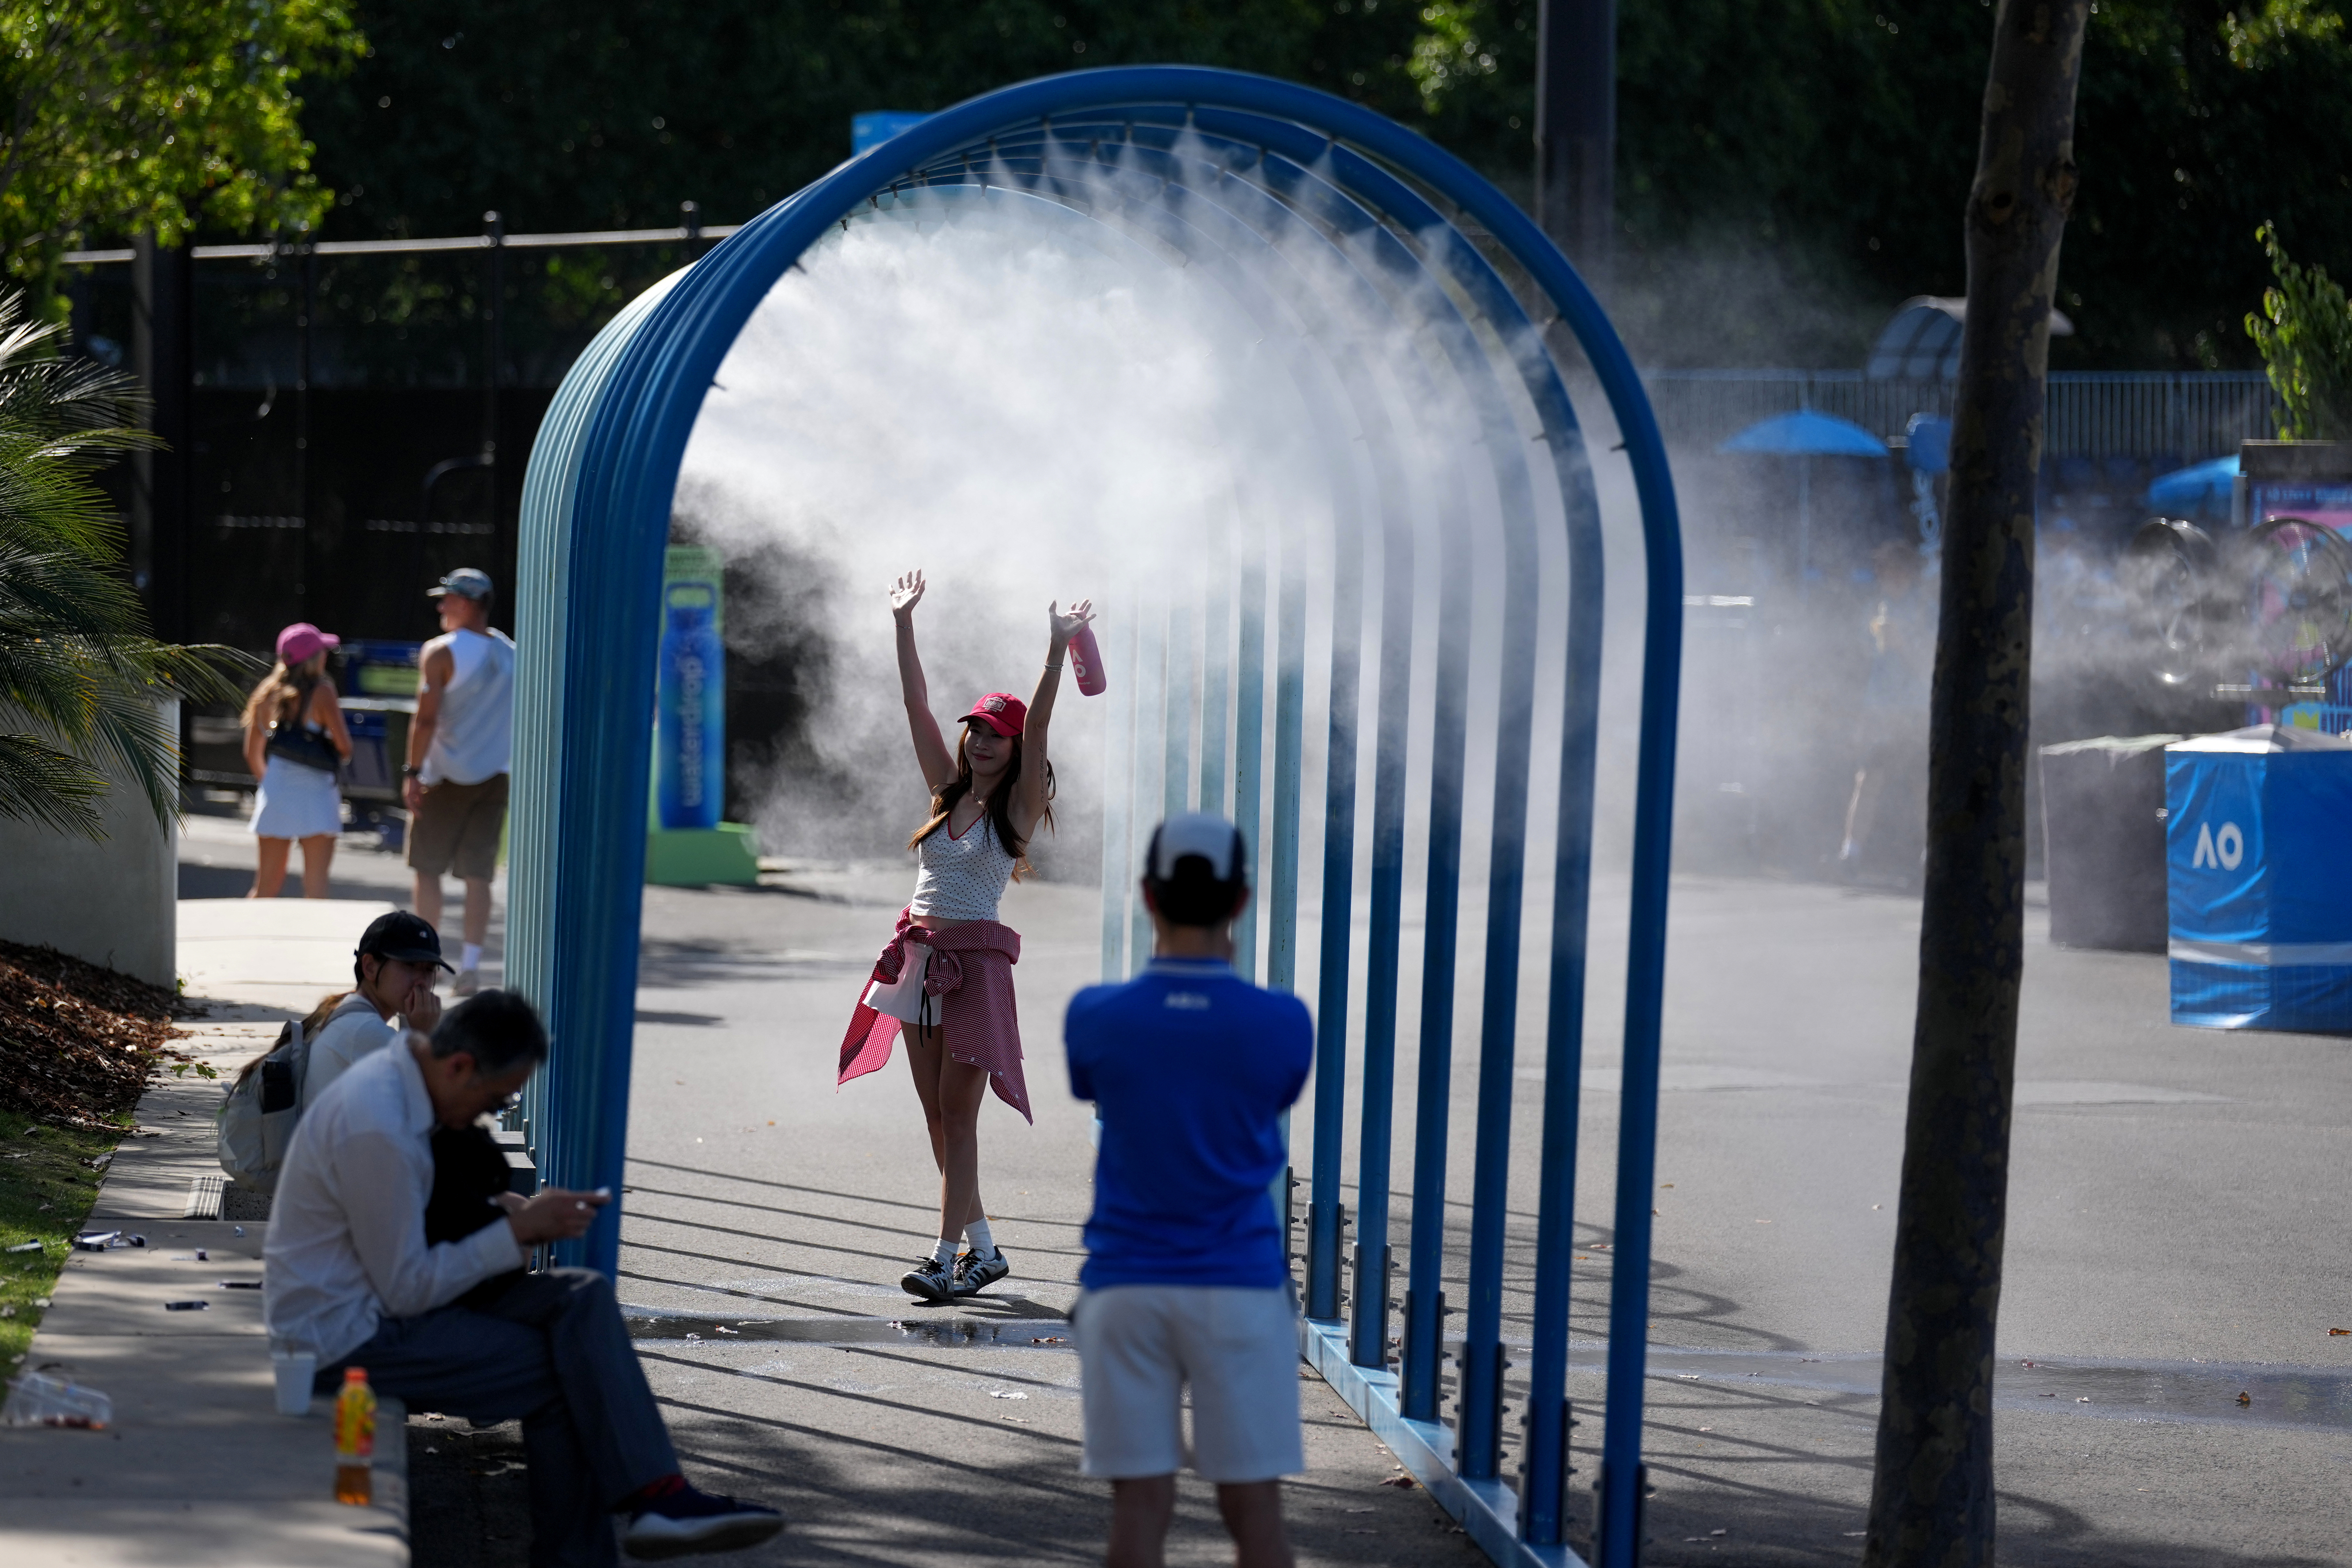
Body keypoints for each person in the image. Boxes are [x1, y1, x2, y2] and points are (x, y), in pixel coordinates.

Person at [264, 990, 783, 1564]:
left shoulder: (408, 1079)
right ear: (459, 1066)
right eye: (494, 1096)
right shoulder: (378, 1126)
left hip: (375, 1304)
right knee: (565, 1375)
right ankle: (616, 1533)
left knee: (581, 1298)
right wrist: (514, 1233)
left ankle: (662, 1500)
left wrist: (515, 1218)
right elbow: (404, 1291)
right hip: (342, 1336)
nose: (489, 1112)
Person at [1063, 812, 1313, 1568]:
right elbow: (1274, 1091)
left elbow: (1093, 1083)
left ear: (1147, 894)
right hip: (1239, 1285)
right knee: (1255, 1511)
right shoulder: (1283, 1023)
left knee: (1139, 1506)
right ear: (1240, 901)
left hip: (1125, 1287)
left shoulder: (1095, 1016)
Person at [837, 568, 1093, 1304]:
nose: (982, 741)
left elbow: (1041, 725)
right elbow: (915, 703)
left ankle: (945, 1256)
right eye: (976, 729)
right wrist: (903, 622)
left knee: (960, 1115)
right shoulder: (944, 793)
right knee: (936, 1115)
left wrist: (1054, 652)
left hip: (975, 968)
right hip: (917, 960)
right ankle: (984, 1250)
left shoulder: (1014, 812)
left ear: (1016, 751)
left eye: (996, 735)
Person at [403, 567, 516, 997]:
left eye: (448, 599)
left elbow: (426, 718)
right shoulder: (512, 652)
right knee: (478, 875)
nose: (441, 607)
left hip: (445, 776)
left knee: (427, 869)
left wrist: (413, 773)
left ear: (466, 603)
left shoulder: (441, 651)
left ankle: (427, 967)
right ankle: (469, 967)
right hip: (495, 776)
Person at [243, 622, 352, 899]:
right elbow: (345, 748)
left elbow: (252, 752)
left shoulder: (266, 692)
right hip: (317, 796)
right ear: (315, 658)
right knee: (316, 889)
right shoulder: (324, 692)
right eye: (323, 651)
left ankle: (246, 939)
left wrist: (270, 784)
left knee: (265, 888)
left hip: (277, 790)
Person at [302, 911, 450, 1110]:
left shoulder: (352, 1015)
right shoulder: (365, 1031)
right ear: (370, 967)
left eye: (429, 970)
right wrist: (424, 1035)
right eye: (409, 966)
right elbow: (429, 1107)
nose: (421, 981)